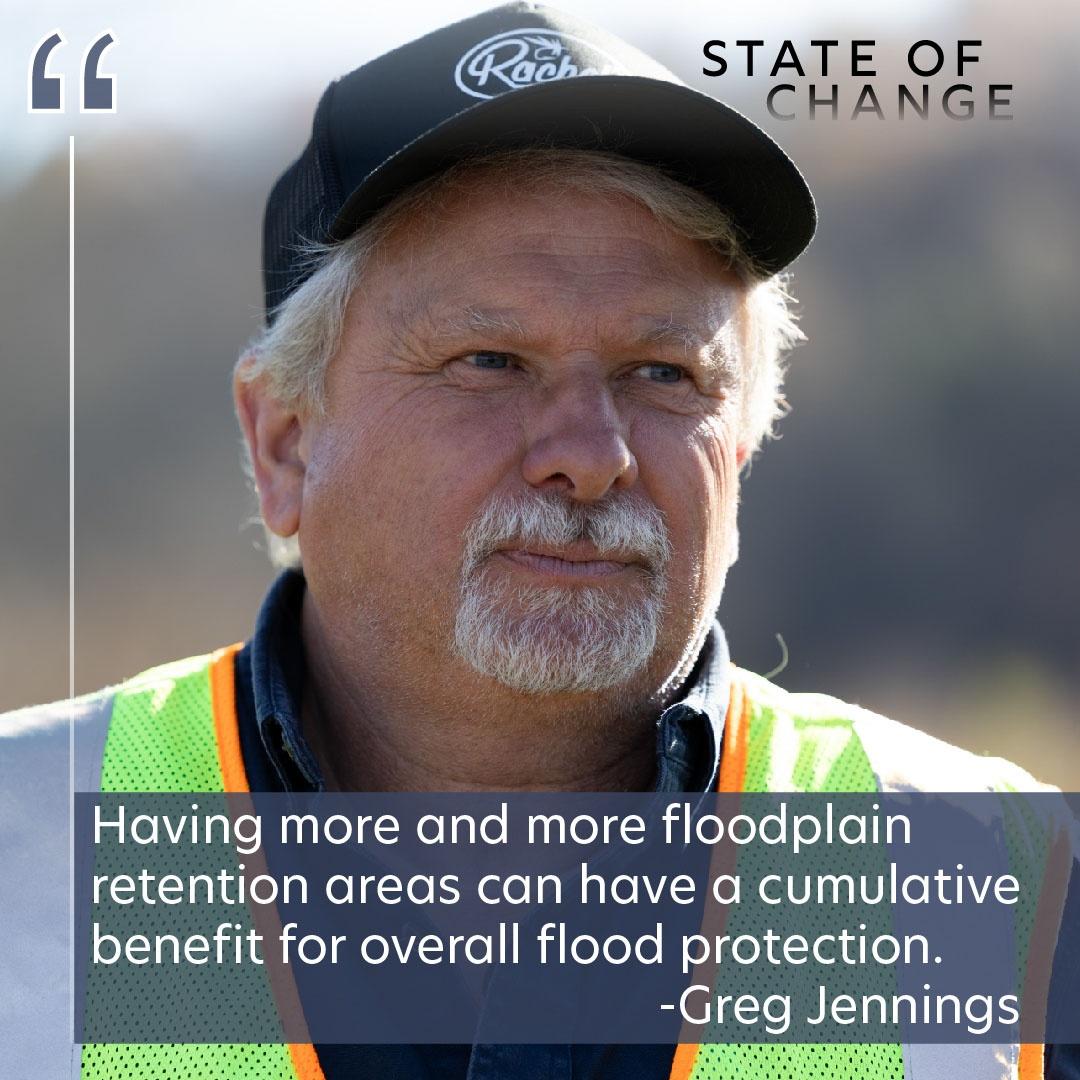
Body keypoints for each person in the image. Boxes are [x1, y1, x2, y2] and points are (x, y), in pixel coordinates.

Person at [2, 5, 1076, 1079]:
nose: (589, 454)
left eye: (664, 373)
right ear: (284, 443)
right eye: (490, 361)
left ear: (741, 452)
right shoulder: (24, 852)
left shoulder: (1019, 896)